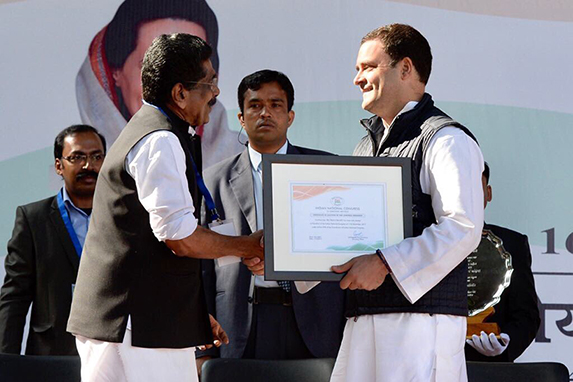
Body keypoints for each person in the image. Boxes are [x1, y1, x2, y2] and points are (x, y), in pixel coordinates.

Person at [67, 34, 263, 382]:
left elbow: (153, 242)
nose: (216, 93)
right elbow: (179, 237)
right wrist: (246, 245)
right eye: (210, 82)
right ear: (180, 93)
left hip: (127, 321)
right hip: (139, 326)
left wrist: (192, 313)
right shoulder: (161, 139)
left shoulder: (151, 130)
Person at [330, 24, 484, 381]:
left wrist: (385, 263)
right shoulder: (365, 146)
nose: (358, 79)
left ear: (405, 68)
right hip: (363, 318)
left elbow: (462, 227)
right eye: (357, 70)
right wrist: (289, 259)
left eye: (368, 67)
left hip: (419, 323)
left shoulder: (445, 139)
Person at [198, 70, 345, 368]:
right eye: (255, 105)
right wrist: (202, 346)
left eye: (276, 104)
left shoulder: (328, 170)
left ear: (290, 116)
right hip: (240, 323)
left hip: (315, 320)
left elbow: (343, 244)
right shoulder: (212, 181)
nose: (265, 112)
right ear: (240, 118)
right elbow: (202, 268)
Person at [76, 0, 243, 169]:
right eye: (154, 69)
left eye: (191, 72)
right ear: (116, 72)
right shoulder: (89, 171)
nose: (175, 89)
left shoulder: (241, 159)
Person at [0, 125, 106, 355]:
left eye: (97, 157)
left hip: (113, 353)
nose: (89, 166)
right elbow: (15, 297)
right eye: (77, 157)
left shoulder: (124, 217)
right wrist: (6, 362)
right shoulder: (33, 219)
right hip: (53, 354)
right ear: (59, 166)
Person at [465, 162, 540, 361]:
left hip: (489, 367)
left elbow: (526, 316)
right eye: (460, 188)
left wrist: (505, 343)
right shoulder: (421, 241)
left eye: (475, 188)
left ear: (488, 194)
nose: (466, 195)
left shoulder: (512, 244)